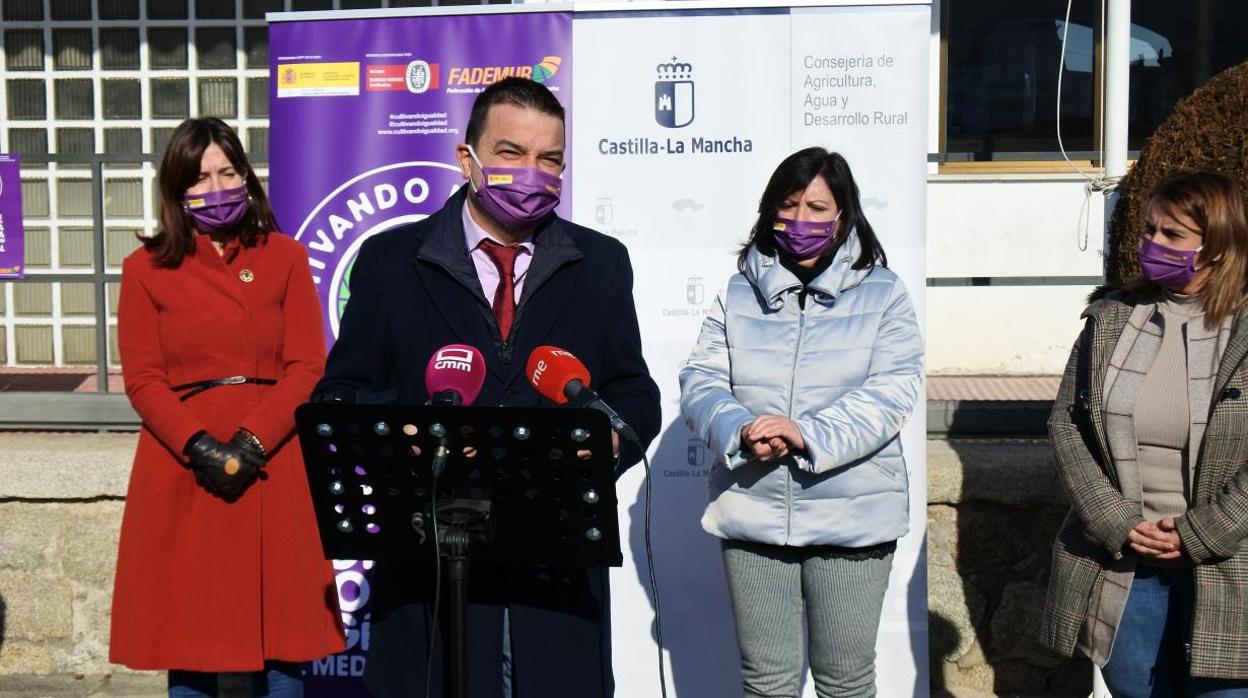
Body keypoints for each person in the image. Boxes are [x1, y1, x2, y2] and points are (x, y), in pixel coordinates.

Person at [313, 77, 660, 698]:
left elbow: (635, 394)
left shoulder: (602, 262)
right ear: (467, 159)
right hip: (431, 575)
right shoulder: (392, 261)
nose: (531, 173)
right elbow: (341, 394)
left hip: (555, 579)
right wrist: (415, 435)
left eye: (548, 160)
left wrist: (609, 441)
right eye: (510, 152)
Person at [110, 117, 345, 696]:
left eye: (226, 172)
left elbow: (307, 367)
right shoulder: (144, 270)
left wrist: (251, 442)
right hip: (183, 467)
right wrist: (200, 447)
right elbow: (142, 379)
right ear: (176, 189)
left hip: (275, 458)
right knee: (188, 640)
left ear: (246, 176)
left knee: (286, 641)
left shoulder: (286, 257)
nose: (215, 189)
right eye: (199, 177)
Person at [679, 147, 923, 698]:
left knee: (845, 683)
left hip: (852, 519)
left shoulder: (885, 293)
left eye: (817, 207)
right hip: (755, 511)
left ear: (844, 214)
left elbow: (892, 391)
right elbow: (701, 380)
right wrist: (741, 430)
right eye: (788, 206)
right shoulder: (738, 291)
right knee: (766, 683)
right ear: (769, 211)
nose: (801, 221)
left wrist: (806, 435)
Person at [1040, 170, 1248, 696]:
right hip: (1126, 561)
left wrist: (1199, 534)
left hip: (1230, 562)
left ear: (1219, 246)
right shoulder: (1111, 319)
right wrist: (1114, 520)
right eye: (1149, 231)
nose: (1152, 245)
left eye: (1172, 235)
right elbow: (1067, 423)